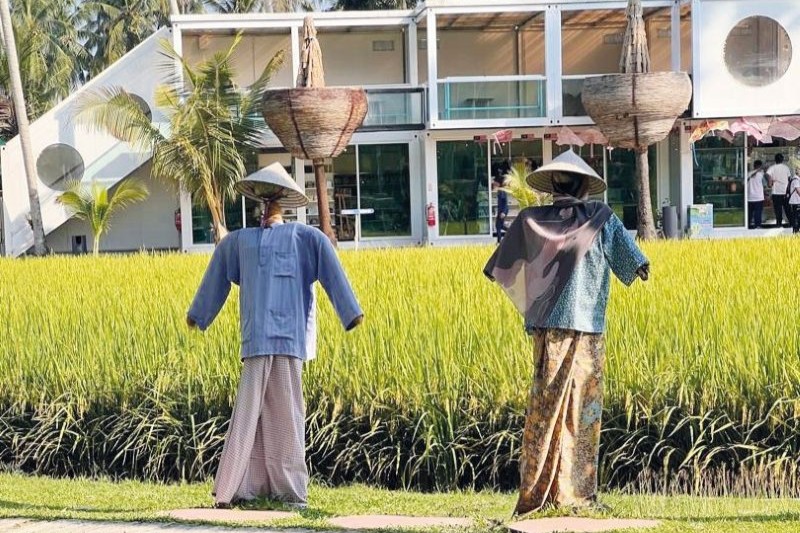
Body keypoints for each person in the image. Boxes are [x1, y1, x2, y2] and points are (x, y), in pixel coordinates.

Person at [186, 163, 364, 509]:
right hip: (256, 339)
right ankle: (238, 487)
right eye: (265, 200)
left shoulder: (306, 239)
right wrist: (199, 314)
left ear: (281, 202)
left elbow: (333, 273)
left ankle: (288, 490)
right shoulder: (240, 242)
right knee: (248, 414)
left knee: (286, 414)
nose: (268, 206)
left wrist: (350, 312)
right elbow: (217, 275)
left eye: (273, 200)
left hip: (288, 338)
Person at [483, 150, 649, 516]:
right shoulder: (600, 217)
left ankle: (540, 489)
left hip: (548, 329)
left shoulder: (530, 220)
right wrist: (640, 267)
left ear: (555, 185)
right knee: (582, 409)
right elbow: (634, 260)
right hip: (587, 328)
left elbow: (498, 266)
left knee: (545, 407)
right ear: (584, 186)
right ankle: (575, 492)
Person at [767, 153, 792, 228]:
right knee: (787, 208)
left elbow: (769, 181)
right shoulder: (786, 168)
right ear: (782, 160)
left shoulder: (772, 168)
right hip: (785, 191)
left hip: (776, 192)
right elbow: (789, 179)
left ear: (775, 160)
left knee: (778, 209)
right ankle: (791, 222)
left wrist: (770, 184)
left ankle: (779, 224)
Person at [747, 160, 766, 229]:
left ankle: (748, 225)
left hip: (749, 197)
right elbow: (765, 185)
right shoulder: (761, 175)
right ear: (760, 166)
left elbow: (744, 183)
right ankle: (757, 225)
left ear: (754, 166)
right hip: (758, 197)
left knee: (749, 212)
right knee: (758, 212)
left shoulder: (748, 174)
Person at [493, 173, 509, 244]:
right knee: (501, 226)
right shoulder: (500, 190)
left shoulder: (501, 191)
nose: (494, 183)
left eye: (495, 182)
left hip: (502, 210)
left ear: (498, 183)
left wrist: (503, 212)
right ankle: (512, 231)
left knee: (498, 226)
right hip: (502, 210)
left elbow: (505, 202)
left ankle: (499, 241)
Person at [788, 169, 800, 234]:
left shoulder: (797, 179)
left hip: (797, 201)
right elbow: (798, 191)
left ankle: (796, 230)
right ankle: (796, 230)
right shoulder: (796, 180)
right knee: (796, 216)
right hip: (795, 201)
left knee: (797, 216)